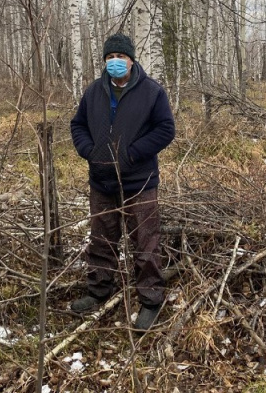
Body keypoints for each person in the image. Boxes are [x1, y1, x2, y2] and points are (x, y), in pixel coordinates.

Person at [69, 33, 176, 331]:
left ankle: (151, 300)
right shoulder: (93, 93)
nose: (116, 62)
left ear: (131, 60)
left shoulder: (152, 92)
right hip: (101, 181)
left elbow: (166, 129)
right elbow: (77, 125)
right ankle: (99, 290)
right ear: (104, 61)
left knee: (145, 241)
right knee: (102, 238)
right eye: (110, 58)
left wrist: (132, 154)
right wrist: (89, 151)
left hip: (139, 182)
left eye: (121, 57)